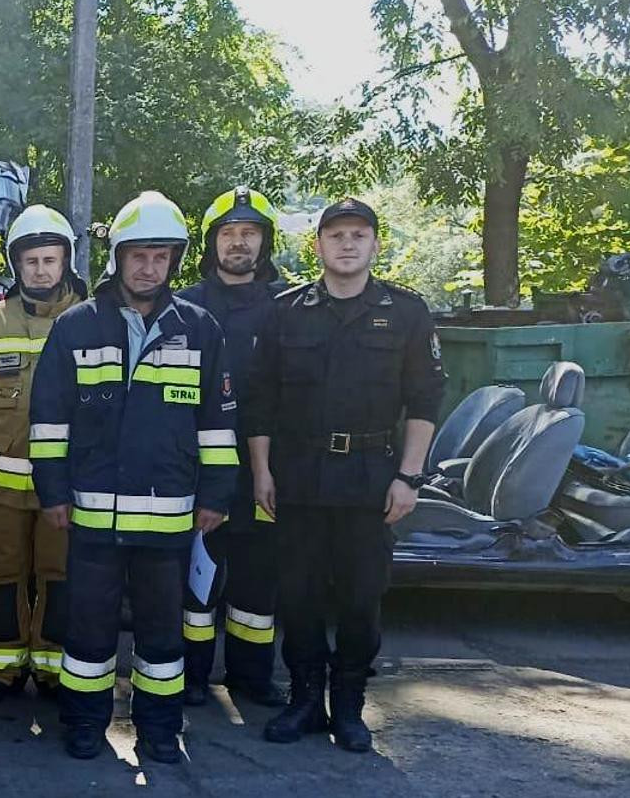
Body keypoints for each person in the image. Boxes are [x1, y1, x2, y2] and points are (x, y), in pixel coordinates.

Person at [29, 191, 238, 764]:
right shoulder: (76, 326)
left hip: (169, 521)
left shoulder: (200, 329)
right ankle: (84, 725)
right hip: (92, 517)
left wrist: (217, 495)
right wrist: (52, 492)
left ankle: (159, 730)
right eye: (139, 255)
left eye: (160, 257)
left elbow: (218, 423)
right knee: (88, 632)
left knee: (162, 636)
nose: (149, 268)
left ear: (174, 261)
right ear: (117, 257)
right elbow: (48, 419)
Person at [246, 197, 444, 753]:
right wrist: (261, 472)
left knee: (361, 598)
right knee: (299, 595)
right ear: (318, 246)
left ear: (376, 244)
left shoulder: (405, 312)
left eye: (359, 235)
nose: (348, 244)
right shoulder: (285, 311)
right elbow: (260, 401)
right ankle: (306, 699)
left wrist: (409, 477)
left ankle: (350, 705)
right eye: (336, 235)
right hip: (299, 476)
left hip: (370, 479)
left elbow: (425, 399)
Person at [0, 205, 85, 706]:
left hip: (66, 487)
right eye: (31, 261)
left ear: (65, 261)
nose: (41, 271)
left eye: (50, 260)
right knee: (0, 576)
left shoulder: (88, 319)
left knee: (60, 576)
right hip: (2, 485)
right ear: (16, 265)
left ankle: (54, 670)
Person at [176, 187, 291, 708]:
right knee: (196, 577)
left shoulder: (289, 307)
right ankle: (193, 675)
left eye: (249, 233)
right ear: (212, 242)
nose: (238, 242)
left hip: (264, 470)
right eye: (228, 233)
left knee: (258, 579)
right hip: (198, 468)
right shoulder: (185, 307)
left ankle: (251, 676)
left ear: (265, 242)